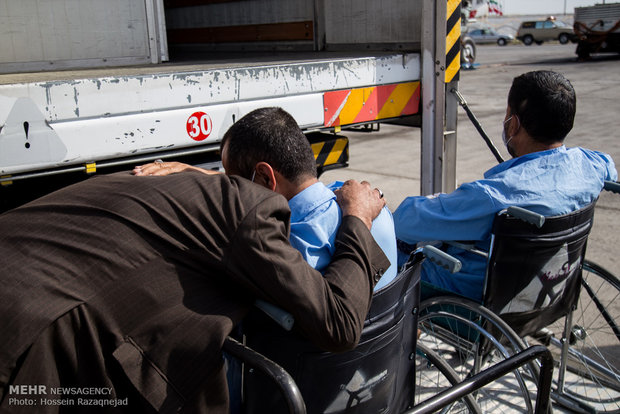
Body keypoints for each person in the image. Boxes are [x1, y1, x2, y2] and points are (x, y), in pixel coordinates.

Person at [0, 168, 389, 413]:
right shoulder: (252, 207)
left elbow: (337, 321)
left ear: (263, 178)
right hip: (27, 342)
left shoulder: (135, 180)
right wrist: (356, 218)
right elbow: (338, 322)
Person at [393, 70, 617, 301]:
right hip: (545, 294)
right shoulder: (592, 165)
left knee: (385, 245)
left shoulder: (495, 195)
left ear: (513, 124)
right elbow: (610, 168)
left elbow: (403, 221)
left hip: (470, 297)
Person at [134, 107, 398, 290]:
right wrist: (200, 172)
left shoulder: (284, 250)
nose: (233, 190)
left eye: (235, 182)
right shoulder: (370, 203)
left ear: (263, 176)